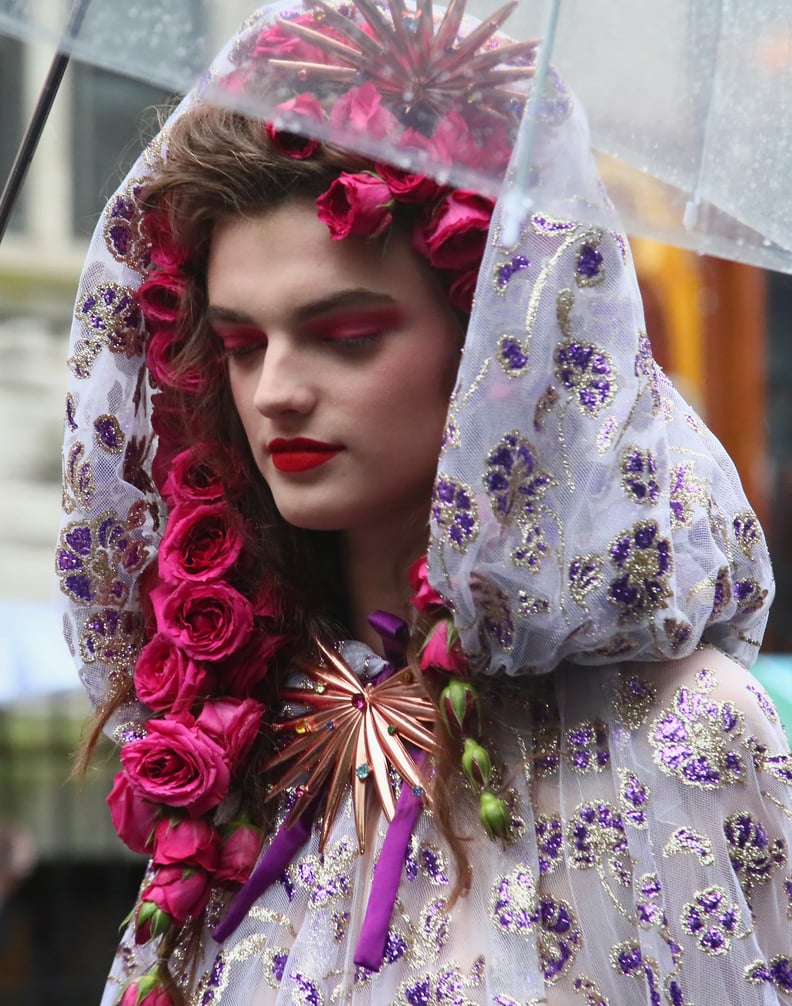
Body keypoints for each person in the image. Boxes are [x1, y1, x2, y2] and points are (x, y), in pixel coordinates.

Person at [59, 2, 792, 1004]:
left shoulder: (683, 736)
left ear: (501, 350)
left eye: (348, 333)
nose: (276, 389)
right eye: (240, 343)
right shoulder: (236, 741)